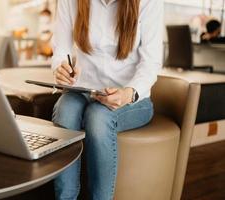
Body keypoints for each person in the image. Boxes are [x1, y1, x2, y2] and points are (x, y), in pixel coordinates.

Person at [51, 0, 163, 199]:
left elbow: (151, 63)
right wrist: (61, 69)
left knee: (98, 116)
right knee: (64, 112)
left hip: (132, 98)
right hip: (83, 90)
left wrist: (128, 93)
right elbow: (61, 48)